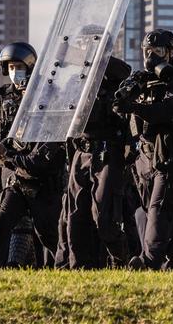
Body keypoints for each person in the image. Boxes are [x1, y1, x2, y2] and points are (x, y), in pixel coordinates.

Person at [117, 30, 173, 270]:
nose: (151, 56)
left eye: (158, 51)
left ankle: (149, 261)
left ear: (171, 52)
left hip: (170, 155)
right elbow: (122, 105)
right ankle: (170, 263)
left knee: (159, 209)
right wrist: (123, 99)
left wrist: (133, 106)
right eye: (147, 51)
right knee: (145, 212)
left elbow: (167, 110)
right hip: (144, 154)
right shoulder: (143, 80)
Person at [0, 42, 65, 268]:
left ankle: (67, 268)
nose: (16, 72)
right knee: (1, 223)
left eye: (20, 67)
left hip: (41, 179)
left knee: (48, 232)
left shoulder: (47, 96)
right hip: (13, 176)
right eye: (11, 67)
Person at [61, 56, 133, 268]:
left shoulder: (114, 79)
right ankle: (80, 268)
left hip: (106, 153)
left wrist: (98, 57)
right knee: (75, 217)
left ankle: (122, 260)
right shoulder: (75, 82)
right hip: (81, 153)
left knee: (103, 216)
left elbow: (124, 72)